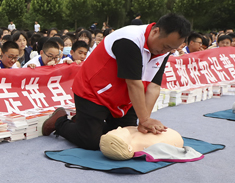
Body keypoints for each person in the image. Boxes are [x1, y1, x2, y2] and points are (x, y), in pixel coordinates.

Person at [43, 13, 191, 151]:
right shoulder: (130, 40)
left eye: (171, 49)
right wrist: (145, 119)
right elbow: (134, 84)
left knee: (123, 140)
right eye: (165, 47)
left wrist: (144, 121)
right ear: (156, 31)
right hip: (94, 92)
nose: (166, 52)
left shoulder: (163, 51)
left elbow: (153, 86)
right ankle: (60, 121)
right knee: (92, 141)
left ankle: (85, 123)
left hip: (124, 99)